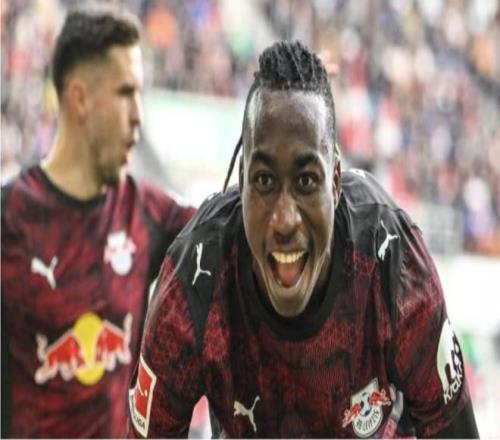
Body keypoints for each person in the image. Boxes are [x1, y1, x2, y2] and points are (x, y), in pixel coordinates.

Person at [127, 41, 479, 438]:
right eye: (264, 180)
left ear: (336, 183)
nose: (284, 219)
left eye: (307, 181)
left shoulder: (392, 263)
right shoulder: (195, 280)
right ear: (241, 183)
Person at [1, 5, 196, 438]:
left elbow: (235, 231)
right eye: (126, 92)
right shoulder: (10, 220)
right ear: (80, 99)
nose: (138, 115)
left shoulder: (148, 213)